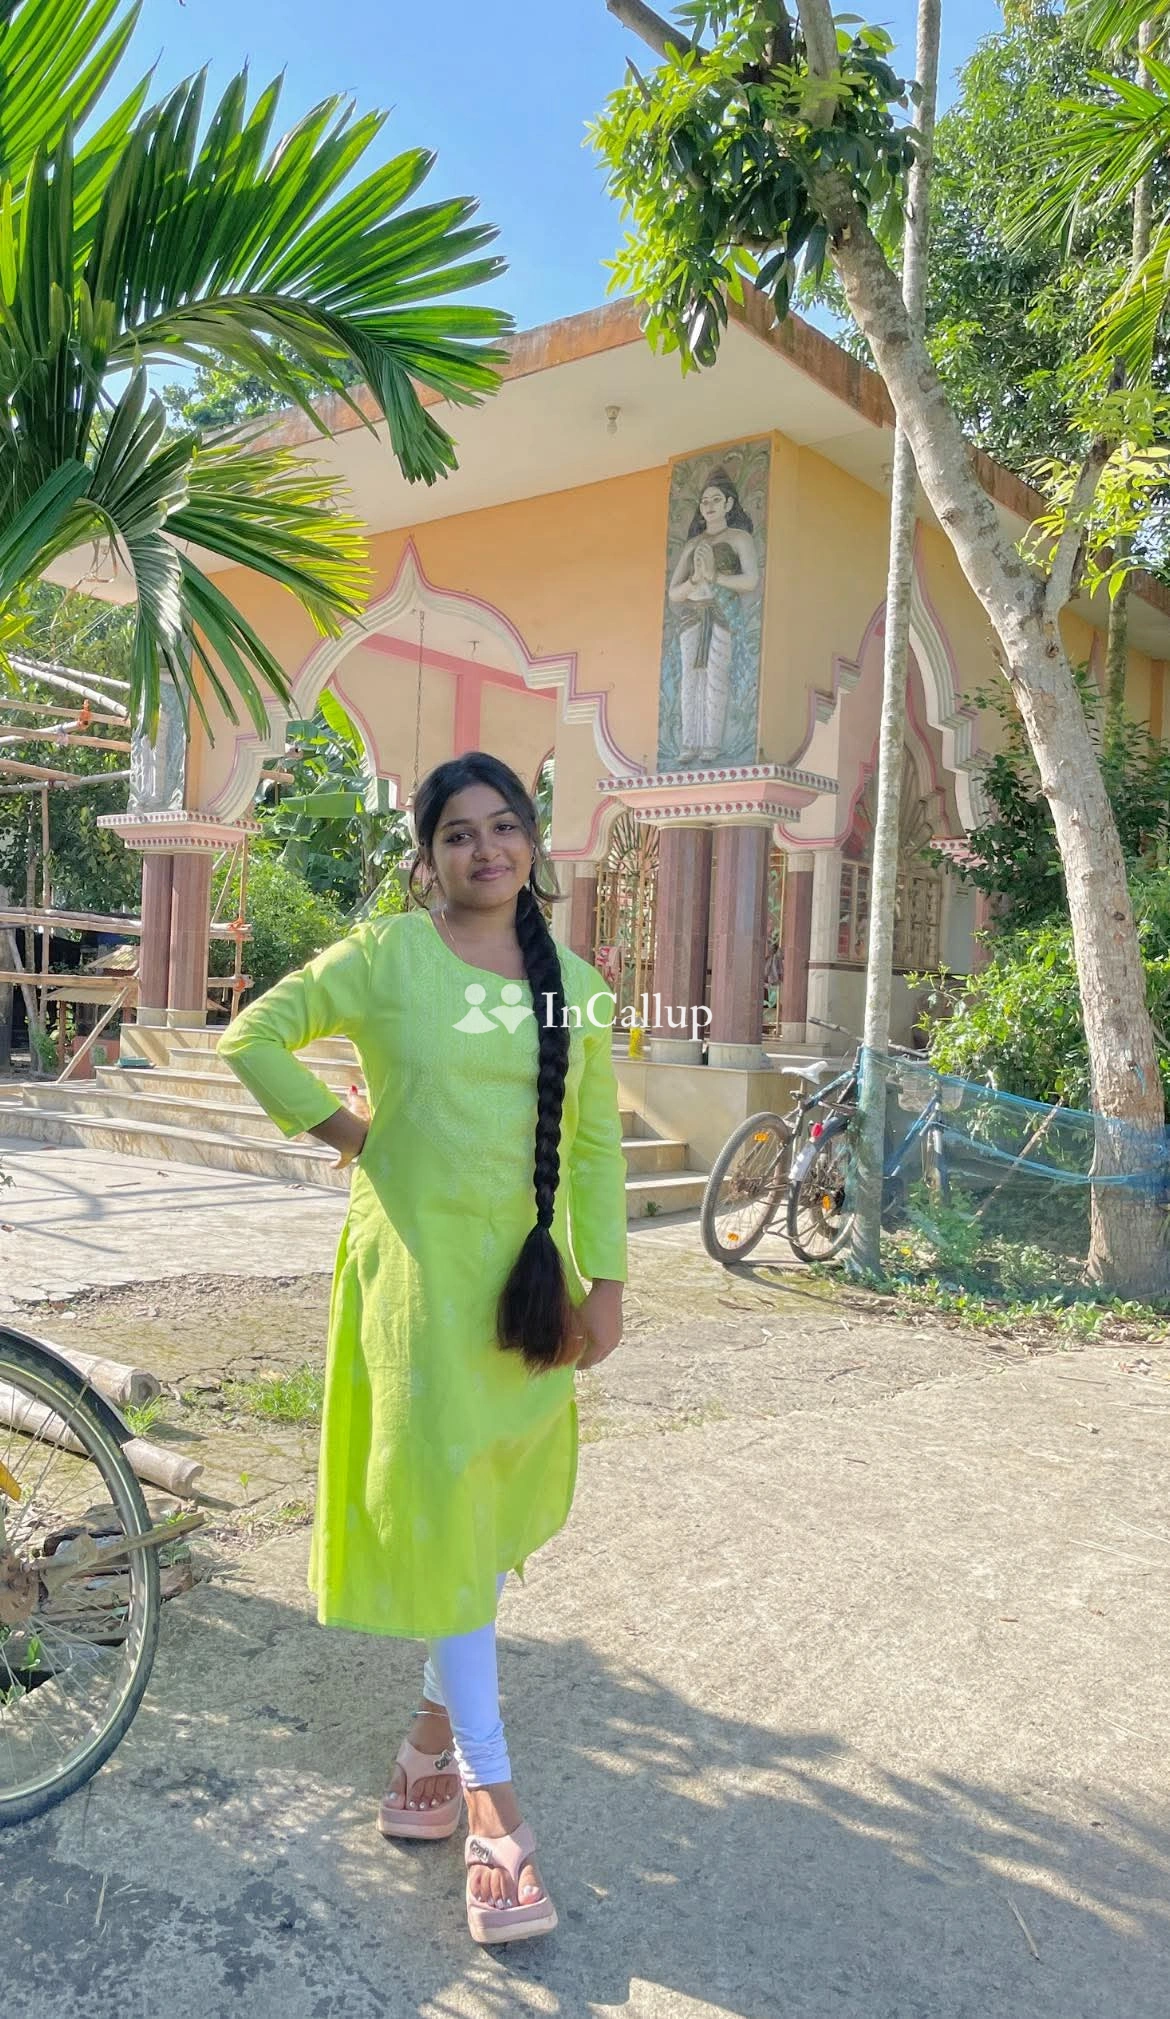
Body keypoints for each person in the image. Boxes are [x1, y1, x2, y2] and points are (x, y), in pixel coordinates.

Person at [217, 751, 628, 1947]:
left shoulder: (578, 988)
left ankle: (429, 1743)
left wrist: (606, 1284)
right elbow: (254, 1037)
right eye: (458, 833)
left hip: (525, 1294)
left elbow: (593, 1147)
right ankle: (496, 1808)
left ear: (533, 841)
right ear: (428, 856)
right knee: (451, 1511)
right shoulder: (388, 957)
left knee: (483, 1514)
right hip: (415, 1286)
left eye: (504, 827)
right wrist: (356, 1136)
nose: (485, 849)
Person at [666, 467, 760, 765]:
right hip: (692, 617)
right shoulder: (692, 545)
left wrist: (715, 577)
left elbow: (750, 581)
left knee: (716, 677)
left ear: (729, 504)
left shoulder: (739, 538)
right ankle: (689, 743)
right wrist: (696, 580)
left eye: (716, 500)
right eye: (705, 501)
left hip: (722, 614)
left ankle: (711, 744)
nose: (709, 506)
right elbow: (674, 593)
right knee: (689, 681)